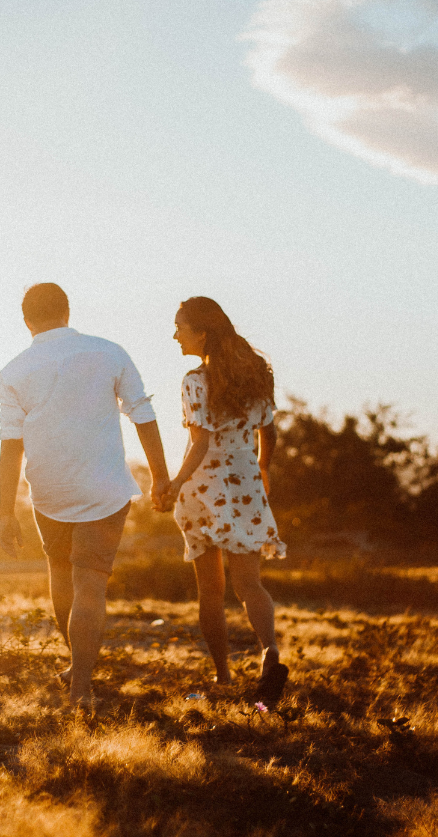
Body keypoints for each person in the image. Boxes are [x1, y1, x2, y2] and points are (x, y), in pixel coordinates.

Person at [0, 283, 170, 707]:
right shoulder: (109, 351)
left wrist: (5, 512)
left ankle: (77, 669)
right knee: (90, 585)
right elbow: (142, 414)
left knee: (61, 576)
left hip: (49, 490)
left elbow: (10, 444)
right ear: (67, 311)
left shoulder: (13, 370)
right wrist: (161, 478)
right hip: (104, 487)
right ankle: (81, 690)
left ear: (26, 321)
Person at [163, 296, 288, 705]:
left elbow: (200, 443)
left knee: (211, 591)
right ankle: (270, 652)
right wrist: (263, 469)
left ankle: (223, 678)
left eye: (179, 326)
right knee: (249, 583)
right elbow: (267, 433)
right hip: (246, 484)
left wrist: (176, 480)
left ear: (201, 332)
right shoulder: (256, 373)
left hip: (203, 489)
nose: (175, 334)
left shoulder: (195, 381)